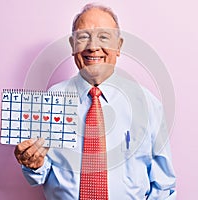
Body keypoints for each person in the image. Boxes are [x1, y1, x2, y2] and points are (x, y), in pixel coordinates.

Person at [14, 3, 176, 199]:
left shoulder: (147, 103)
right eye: (83, 37)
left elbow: (164, 185)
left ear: (118, 46)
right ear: (73, 45)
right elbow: (39, 175)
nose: (93, 47)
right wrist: (34, 164)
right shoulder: (51, 99)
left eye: (104, 37)